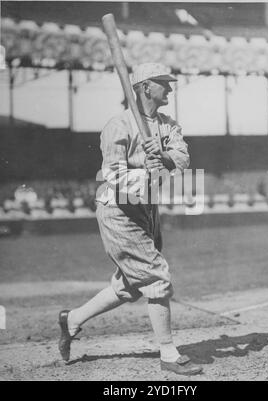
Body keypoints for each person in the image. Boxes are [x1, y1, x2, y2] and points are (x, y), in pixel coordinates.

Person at [58, 63, 203, 376]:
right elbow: (113, 175)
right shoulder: (118, 125)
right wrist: (148, 172)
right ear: (146, 86)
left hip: (147, 210)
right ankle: (168, 353)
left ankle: (71, 320)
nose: (171, 88)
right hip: (118, 209)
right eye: (165, 83)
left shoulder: (167, 124)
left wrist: (162, 155)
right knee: (156, 277)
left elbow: (183, 158)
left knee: (131, 286)